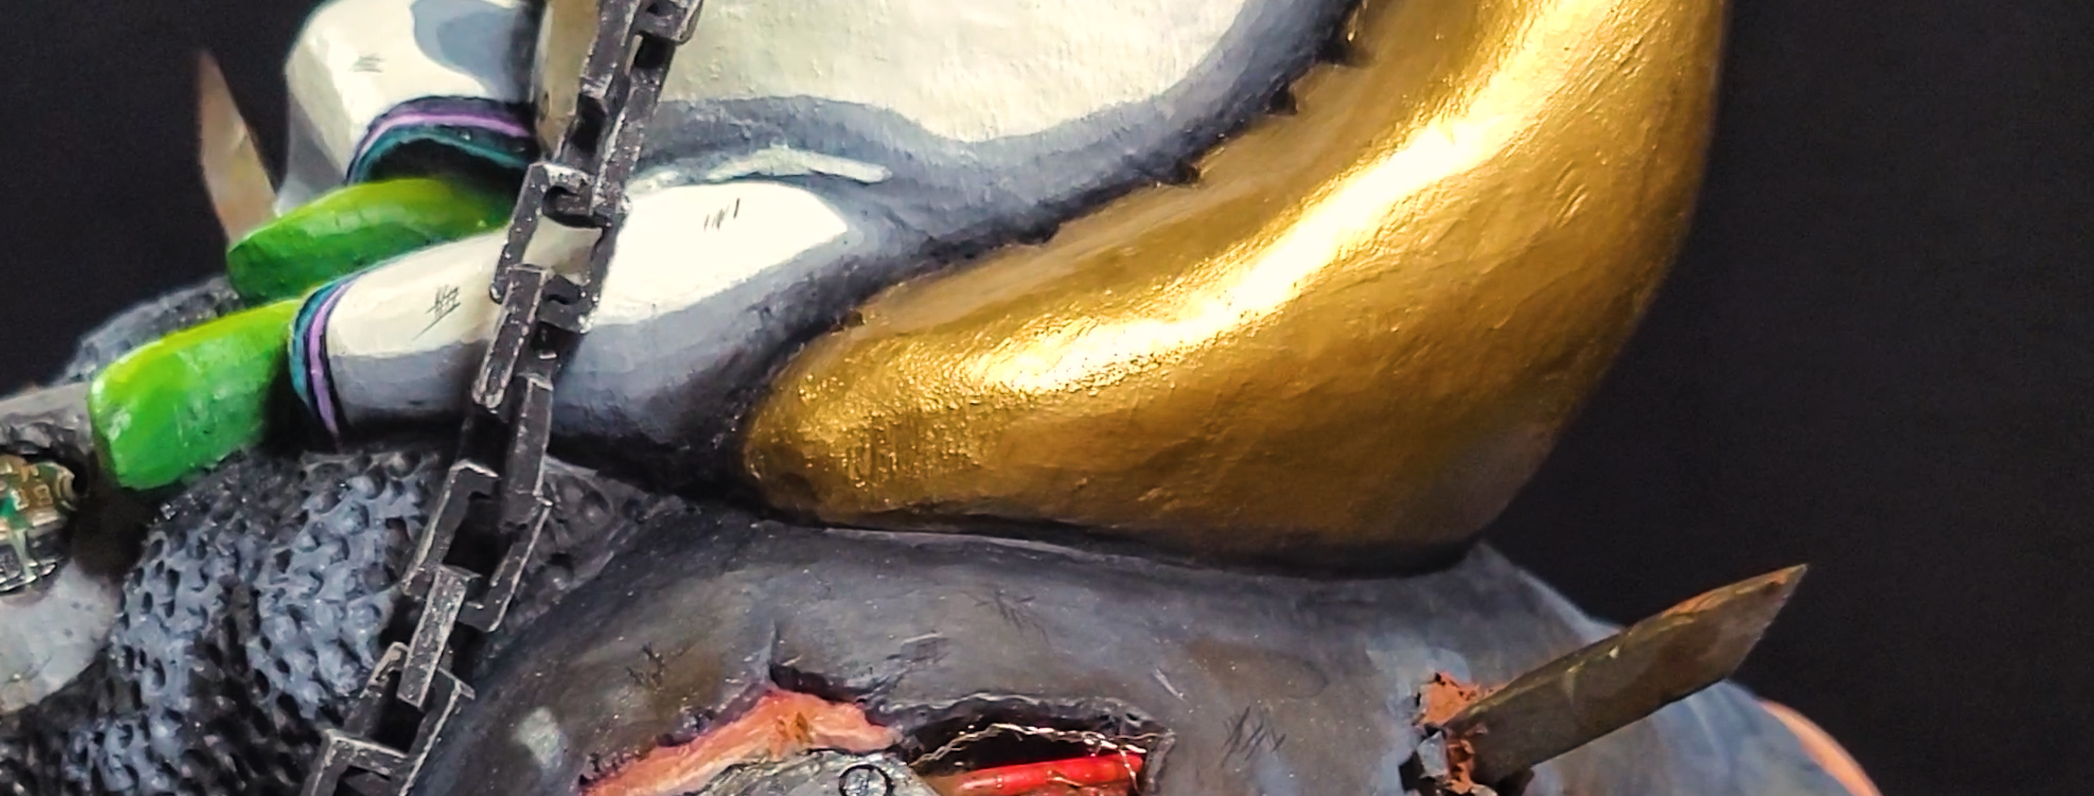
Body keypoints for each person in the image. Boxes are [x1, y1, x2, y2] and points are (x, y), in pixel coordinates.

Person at [93, 0, 1348, 488]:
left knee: (674, 292)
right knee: (403, 36)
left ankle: (306, 350)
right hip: (591, 80)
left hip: (892, 155)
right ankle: (449, 174)